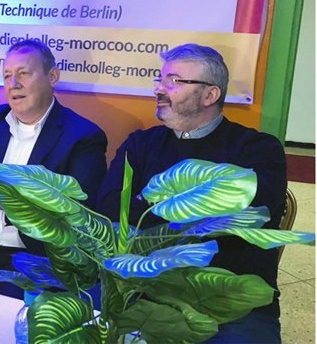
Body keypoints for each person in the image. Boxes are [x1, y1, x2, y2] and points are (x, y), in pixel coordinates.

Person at [95, 44, 286, 343]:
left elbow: (248, 215)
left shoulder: (258, 148)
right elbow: (108, 207)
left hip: (229, 302)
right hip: (142, 292)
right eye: (160, 79)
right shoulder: (140, 144)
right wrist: (199, 213)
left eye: (174, 81)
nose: (159, 89)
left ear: (210, 95)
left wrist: (147, 205)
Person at [0, 39, 108, 296]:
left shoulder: (82, 137)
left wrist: (6, 197)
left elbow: (79, 217)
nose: (13, 84)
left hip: (32, 256)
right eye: (7, 76)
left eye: (24, 73)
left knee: (4, 316)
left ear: (53, 77)